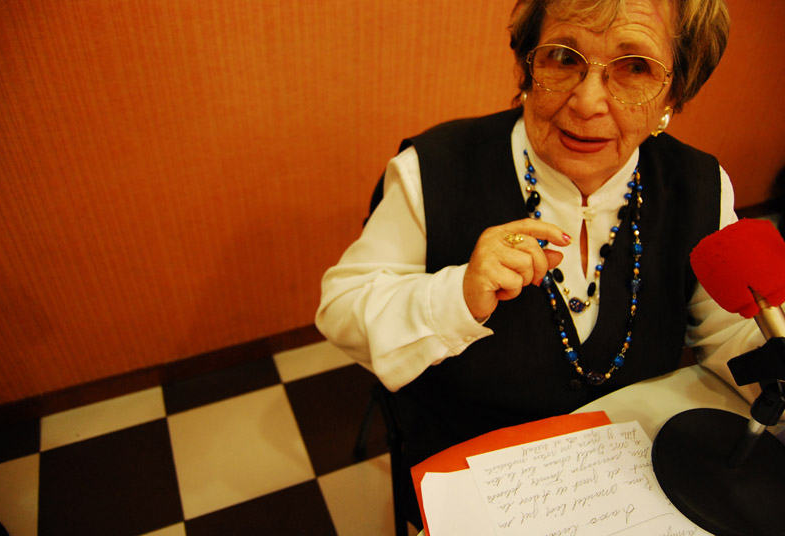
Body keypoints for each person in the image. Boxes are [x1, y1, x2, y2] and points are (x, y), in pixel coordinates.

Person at [316, 0, 764, 527]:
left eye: (635, 67)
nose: (587, 102)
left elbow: (732, 337)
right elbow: (341, 307)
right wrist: (456, 295)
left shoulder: (701, 186)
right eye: (564, 57)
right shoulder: (433, 169)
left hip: (636, 472)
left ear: (674, 94)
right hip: (476, 473)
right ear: (528, 66)